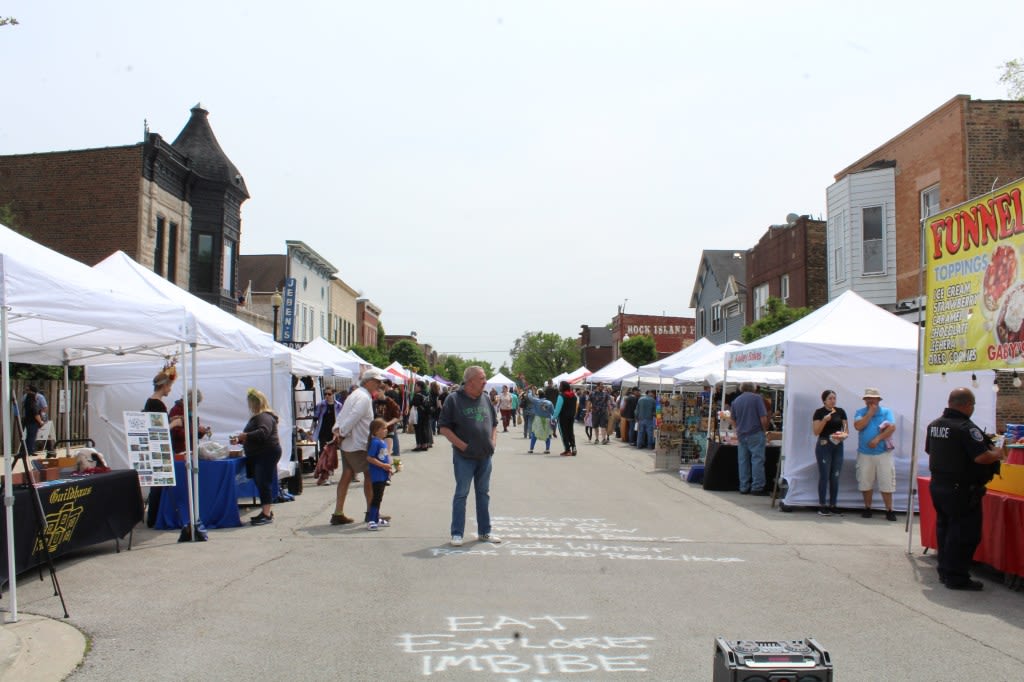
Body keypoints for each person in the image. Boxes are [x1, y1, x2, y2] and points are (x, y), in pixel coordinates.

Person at [926, 387, 1006, 590]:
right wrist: (997, 453)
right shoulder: (965, 428)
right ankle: (956, 576)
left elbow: (930, 450)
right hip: (962, 489)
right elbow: (981, 456)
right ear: (967, 405)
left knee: (945, 529)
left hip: (939, 485)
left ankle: (945, 571)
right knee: (964, 533)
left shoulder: (935, 425)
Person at [438, 365, 501, 547]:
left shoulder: (486, 399)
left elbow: (495, 423)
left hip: (485, 456)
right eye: (482, 378)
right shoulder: (454, 400)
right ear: (471, 381)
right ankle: (457, 533)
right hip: (464, 457)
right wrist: (463, 446)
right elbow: (444, 428)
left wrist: (493, 441)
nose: (485, 382)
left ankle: (484, 532)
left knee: (483, 494)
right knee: (461, 494)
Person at [330, 369, 388, 525]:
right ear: (368, 381)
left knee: (347, 475)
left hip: (349, 443)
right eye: (377, 382)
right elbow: (353, 417)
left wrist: (337, 430)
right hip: (358, 444)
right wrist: (341, 432)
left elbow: (342, 415)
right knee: (370, 475)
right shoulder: (363, 398)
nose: (379, 384)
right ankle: (372, 512)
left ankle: (338, 512)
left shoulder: (355, 394)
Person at [232, 389, 282, 526]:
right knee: (261, 482)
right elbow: (258, 435)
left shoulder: (263, 417)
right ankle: (266, 511)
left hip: (265, 453)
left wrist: (245, 436)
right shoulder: (262, 417)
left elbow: (263, 433)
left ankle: (266, 514)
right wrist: (241, 440)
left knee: (263, 481)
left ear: (255, 403)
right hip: (262, 453)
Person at [853, 387, 898, 520]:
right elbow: (858, 426)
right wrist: (870, 414)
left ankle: (889, 509)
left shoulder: (886, 412)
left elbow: (892, 428)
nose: (870, 400)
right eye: (867, 398)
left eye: (873, 398)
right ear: (865, 400)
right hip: (865, 453)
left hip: (883, 453)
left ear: (878, 399)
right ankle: (868, 508)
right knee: (865, 481)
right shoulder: (860, 412)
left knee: (887, 482)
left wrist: (877, 439)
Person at [142, 368, 176, 528]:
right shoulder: (157, 403)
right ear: (164, 386)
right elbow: (159, 430)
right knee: (159, 483)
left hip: (155, 447)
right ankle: (154, 517)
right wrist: (174, 423)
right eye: (169, 386)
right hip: (159, 447)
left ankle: (154, 516)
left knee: (158, 483)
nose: (170, 390)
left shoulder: (150, 402)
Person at [812, 389, 849, 516]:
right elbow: (816, 431)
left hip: (837, 444)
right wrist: (824, 420)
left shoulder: (841, 412)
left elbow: (846, 430)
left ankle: (833, 504)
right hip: (824, 444)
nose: (833, 400)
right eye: (830, 398)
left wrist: (842, 435)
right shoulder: (819, 412)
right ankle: (822, 505)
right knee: (824, 475)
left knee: (835, 475)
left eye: (834, 398)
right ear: (824, 400)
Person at [730, 382, 769, 495]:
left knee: (743, 461)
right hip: (755, 432)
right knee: (757, 460)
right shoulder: (757, 398)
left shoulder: (736, 401)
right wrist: (764, 430)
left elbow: (732, 419)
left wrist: (738, 428)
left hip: (742, 434)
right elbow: (763, 417)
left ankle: (744, 486)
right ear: (754, 388)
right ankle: (757, 487)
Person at [365, 418, 395, 531]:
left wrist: (389, 468)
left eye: (386, 428)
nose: (386, 430)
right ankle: (371, 520)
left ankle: (376, 519)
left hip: (383, 474)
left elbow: (384, 458)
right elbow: (370, 458)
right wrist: (383, 466)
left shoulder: (382, 442)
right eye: (383, 428)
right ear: (376, 431)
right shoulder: (375, 442)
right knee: (376, 498)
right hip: (377, 475)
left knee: (379, 497)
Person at [168, 389, 212, 456]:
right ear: (190, 401)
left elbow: (194, 435)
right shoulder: (176, 410)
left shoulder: (191, 412)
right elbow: (175, 433)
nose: (197, 405)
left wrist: (201, 432)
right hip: (181, 451)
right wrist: (195, 430)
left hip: (192, 450)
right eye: (196, 402)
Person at [312, 388, 343, 456]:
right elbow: (315, 418)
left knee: (332, 452)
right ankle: (322, 466)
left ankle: (330, 466)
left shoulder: (338, 405)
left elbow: (341, 419)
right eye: (325, 394)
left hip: (333, 432)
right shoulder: (320, 405)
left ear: (333, 394)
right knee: (323, 451)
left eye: (329, 394)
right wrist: (311, 430)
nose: (327, 396)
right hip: (323, 431)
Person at [551, 380, 578, 456]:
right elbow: (575, 407)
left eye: (560, 386)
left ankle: (567, 450)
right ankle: (574, 447)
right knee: (570, 432)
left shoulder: (561, 396)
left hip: (563, 417)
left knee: (564, 433)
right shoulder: (574, 396)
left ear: (563, 387)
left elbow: (558, 409)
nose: (559, 387)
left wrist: (553, 417)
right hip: (571, 417)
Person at [20, 386, 43, 456]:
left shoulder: (27, 401)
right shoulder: (32, 402)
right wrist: (40, 421)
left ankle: (26, 451)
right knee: (31, 436)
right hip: (32, 422)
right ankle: (29, 451)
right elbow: (36, 414)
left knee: (29, 436)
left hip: (28, 421)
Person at [411, 380, 432, 452]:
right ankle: (425, 444)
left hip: (419, 415)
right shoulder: (427, 394)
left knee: (418, 430)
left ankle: (419, 445)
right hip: (426, 414)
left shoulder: (417, 395)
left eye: (416, 386)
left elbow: (414, 403)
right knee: (425, 429)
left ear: (419, 386)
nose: (415, 387)